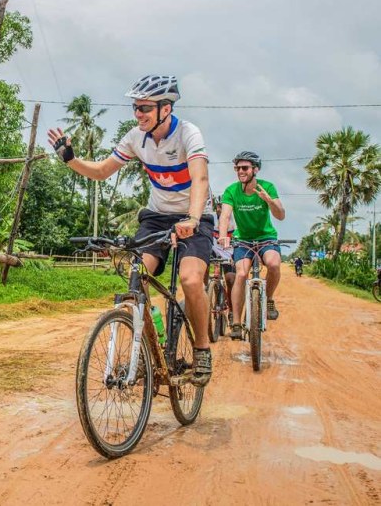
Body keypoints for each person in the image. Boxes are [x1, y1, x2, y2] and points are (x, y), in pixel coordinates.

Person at [47, 74, 215, 386]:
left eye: (145, 108)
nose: (138, 114)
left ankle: (202, 349)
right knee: (137, 280)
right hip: (156, 217)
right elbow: (100, 171)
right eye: (135, 108)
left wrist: (192, 219)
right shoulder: (135, 137)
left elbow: (200, 180)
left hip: (195, 216)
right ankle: (150, 350)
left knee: (191, 280)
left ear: (165, 108)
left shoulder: (189, 134)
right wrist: (69, 159)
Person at [218, 151, 286, 340]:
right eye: (237, 168)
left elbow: (281, 215)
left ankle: (269, 298)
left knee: (273, 264)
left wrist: (270, 201)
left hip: (266, 238)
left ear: (255, 169)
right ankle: (237, 323)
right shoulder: (231, 190)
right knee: (240, 274)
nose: (241, 171)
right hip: (243, 239)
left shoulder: (267, 187)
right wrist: (223, 236)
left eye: (245, 168)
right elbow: (225, 216)